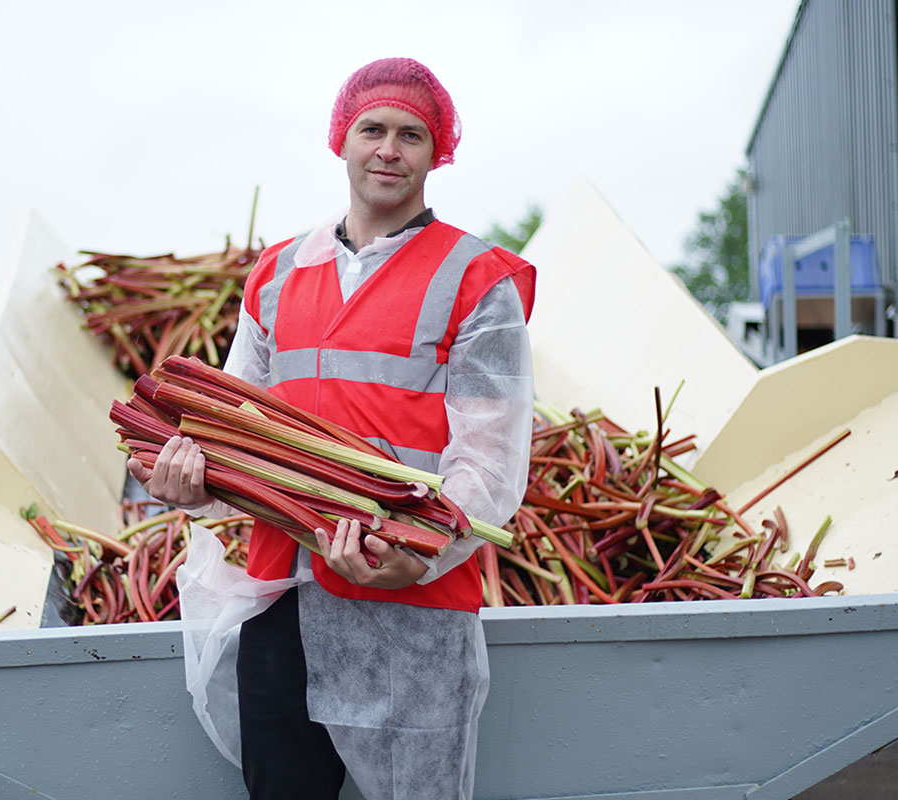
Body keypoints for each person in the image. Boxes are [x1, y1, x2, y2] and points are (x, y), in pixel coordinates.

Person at [130, 56, 535, 800]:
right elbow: (231, 431)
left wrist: (428, 551)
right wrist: (191, 484)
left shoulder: (478, 280)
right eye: (371, 129)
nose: (389, 148)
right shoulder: (278, 273)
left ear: (437, 152)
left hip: (411, 610)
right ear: (340, 141)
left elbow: (492, 458)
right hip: (283, 599)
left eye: (411, 135)